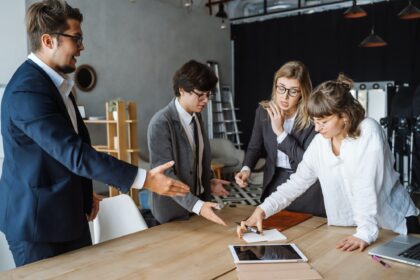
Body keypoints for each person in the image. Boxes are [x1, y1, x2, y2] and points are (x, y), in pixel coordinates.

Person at [0, 0, 189, 267]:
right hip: (37, 224)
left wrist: (83, 193)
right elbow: (75, 154)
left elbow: (65, 150)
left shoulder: (56, 85)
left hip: (67, 213)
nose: (82, 47)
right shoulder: (27, 90)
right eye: (76, 39)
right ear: (48, 40)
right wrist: (145, 179)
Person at [237, 73, 420, 252]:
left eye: (323, 121)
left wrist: (365, 233)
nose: (317, 128)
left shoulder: (368, 131)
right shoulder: (321, 143)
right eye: (314, 121)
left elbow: (365, 185)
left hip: (393, 225)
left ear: (345, 116)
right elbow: (296, 183)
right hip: (352, 229)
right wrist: (262, 210)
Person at [235, 61, 325, 216]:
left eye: (293, 91)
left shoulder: (313, 118)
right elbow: (254, 147)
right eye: (281, 88)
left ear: (302, 92)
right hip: (274, 181)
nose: (285, 96)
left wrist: (280, 132)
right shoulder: (263, 112)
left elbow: (308, 162)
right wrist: (246, 168)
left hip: (306, 187)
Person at [148, 60, 230, 226]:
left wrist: (209, 181)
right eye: (200, 95)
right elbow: (165, 175)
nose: (206, 101)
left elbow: (197, 159)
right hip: (173, 214)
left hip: (198, 209)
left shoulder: (196, 115)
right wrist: (197, 205)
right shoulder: (161, 123)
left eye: (208, 95)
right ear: (181, 90)